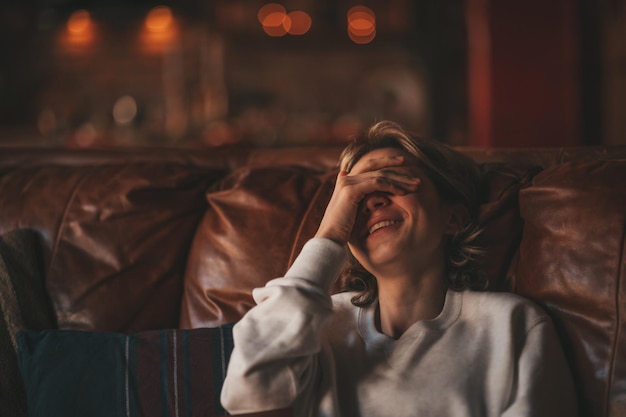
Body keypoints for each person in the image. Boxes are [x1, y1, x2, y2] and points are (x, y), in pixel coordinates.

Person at [220, 121, 577, 417]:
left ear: (452, 216)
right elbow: (248, 398)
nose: (373, 198)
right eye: (354, 196)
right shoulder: (316, 328)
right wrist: (329, 236)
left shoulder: (512, 326)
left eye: (393, 179)